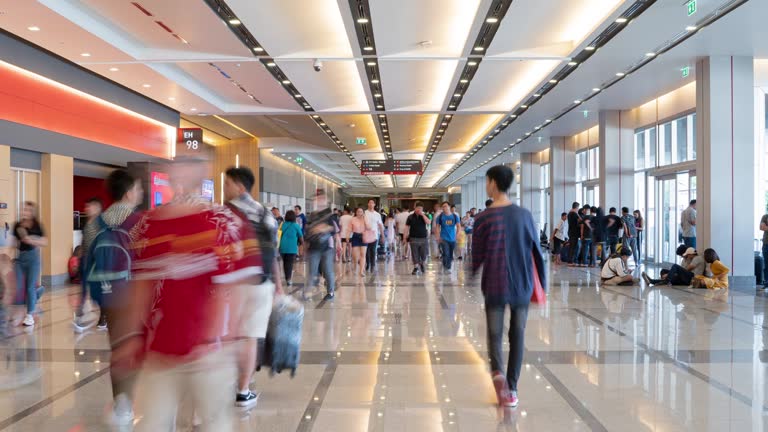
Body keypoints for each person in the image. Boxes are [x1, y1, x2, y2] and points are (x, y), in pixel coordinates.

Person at [122, 157, 262, 431]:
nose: (181, 173)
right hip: (160, 349)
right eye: (178, 166)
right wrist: (133, 335)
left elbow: (237, 287)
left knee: (213, 423)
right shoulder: (150, 224)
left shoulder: (225, 222)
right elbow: (141, 285)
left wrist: (220, 338)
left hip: (209, 352)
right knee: (152, 423)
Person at [472, 165, 545, 408]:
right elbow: (537, 252)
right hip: (522, 285)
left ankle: (497, 373)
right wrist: (542, 285)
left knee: (494, 335)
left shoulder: (482, 218)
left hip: (494, 284)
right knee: (518, 334)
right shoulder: (524, 215)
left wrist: (471, 274)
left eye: (486, 181)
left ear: (493, 183)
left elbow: (477, 256)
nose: (486, 185)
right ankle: (512, 389)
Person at [13, 202, 47, 327]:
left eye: (27, 210)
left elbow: (44, 242)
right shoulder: (17, 225)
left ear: (32, 212)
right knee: (19, 286)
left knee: (29, 287)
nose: (24, 211)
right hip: (20, 258)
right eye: (23, 209)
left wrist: (32, 239)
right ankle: (37, 293)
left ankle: (29, 316)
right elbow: (14, 242)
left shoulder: (37, 226)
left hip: (33, 258)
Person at [305, 190, 337, 301]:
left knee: (328, 270)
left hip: (326, 248)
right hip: (313, 247)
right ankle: (308, 292)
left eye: (322, 198)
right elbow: (308, 230)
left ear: (326, 200)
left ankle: (331, 292)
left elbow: (334, 229)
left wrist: (322, 228)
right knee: (312, 271)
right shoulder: (312, 215)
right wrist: (318, 228)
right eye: (318, 198)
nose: (319, 200)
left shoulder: (330, 214)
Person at [435, 202, 461, 273]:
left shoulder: (455, 216)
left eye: (445, 206)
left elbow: (459, 226)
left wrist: (458, 234)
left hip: (453, 238)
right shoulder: (440, 217)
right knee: (446, 253)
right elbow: (437, 227)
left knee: (450, 253)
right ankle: (447, 268)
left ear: (449, 207)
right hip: (443, 238)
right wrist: (437, 236)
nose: (444, 208)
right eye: (443, 207)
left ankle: (446, 264)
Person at [406, 202, 430, 275]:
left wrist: (422, 215)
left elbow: (428, 222)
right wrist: (405, 237)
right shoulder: (410, 217)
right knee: (414, 253)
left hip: (423, 238)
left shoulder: (425, 215)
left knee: (424, 254)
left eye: (421, 208)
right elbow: (406, 227)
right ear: (415, 208)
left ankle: (422, 263)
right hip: (413, 238)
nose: (419, 209)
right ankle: (416, 267)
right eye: (418, 208)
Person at [279, 210, 303, 286]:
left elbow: (278, 234)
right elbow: (301, 236)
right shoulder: (296, 225)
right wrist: (302, 243)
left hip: (282, 247)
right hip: (292, 248)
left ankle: (287, 277)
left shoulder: (282, 224)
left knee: (285, 263)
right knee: (289, 264)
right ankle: (288, 280)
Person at [364, 199, 384, 272]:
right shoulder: (364, 213)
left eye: (372, 203)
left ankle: (372, 265)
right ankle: (368, 264)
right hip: (366, 234)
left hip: (374, 235)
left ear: (374, 205)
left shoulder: (377, 214)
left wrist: (382, 235)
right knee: (366, 251)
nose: (371, 204)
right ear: (368, 204)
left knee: (373, 251)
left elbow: (380, 225)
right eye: (369, 203)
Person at [349, 208, 369, 276]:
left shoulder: (365, 219)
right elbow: (350, 229)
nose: (359, 213)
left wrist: (365, 219)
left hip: (364, 236)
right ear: (356, 212)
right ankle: (355, 265)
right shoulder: (353, 219)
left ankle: (361, 271)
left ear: (363, 212)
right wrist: (347, 236)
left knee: (363, 254)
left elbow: (369, 227)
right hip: (355, 236)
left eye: (361, 212)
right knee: (355, 256)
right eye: (358, 211)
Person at [566, 202, 581, 266]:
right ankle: (571, 261)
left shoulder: (569, 214)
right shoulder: (574, 214)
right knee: (573, 247)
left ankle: (570, 261)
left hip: (570, 232)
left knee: (572, 247)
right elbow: (580, 220)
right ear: (577, 207)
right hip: (574, 233)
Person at [760, 212, 768, 289]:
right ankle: (766, 283)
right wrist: (764, 226)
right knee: (766, 264)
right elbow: (762, 227)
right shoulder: (765, 216)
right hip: (766, 245)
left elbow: (765, 227)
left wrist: (766, 226)